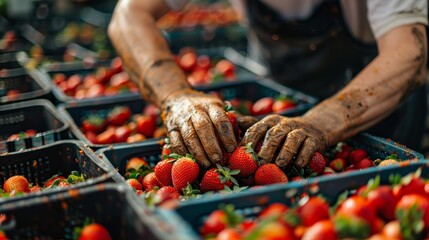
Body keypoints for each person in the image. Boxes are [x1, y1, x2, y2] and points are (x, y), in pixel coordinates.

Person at [108, 0, 427, 169]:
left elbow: (409, 52)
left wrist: (321, 121)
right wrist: (175, 96)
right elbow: (129, 15)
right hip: (278, 98)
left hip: (376, 107)